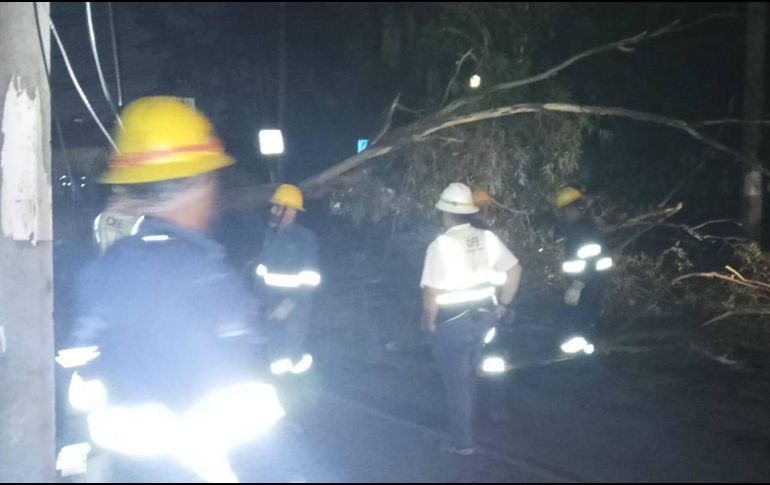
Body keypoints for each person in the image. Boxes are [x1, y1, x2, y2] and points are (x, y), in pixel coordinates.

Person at [62, 97, 279, 483]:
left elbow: (81, 384)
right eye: (210, 178)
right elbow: (248, 425)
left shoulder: (99, 275)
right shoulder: (204, 279)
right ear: (195, 186)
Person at [420, 183, 522, 455]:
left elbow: (431, 292)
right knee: (469, 378)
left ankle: (462, 442)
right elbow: (515, 269)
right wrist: (503, 306)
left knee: (457, 384)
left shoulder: (439, 245)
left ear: (445, 213)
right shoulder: (487, 238)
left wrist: (429, 322)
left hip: (452, 324)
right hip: (485, 319)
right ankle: (466, 427)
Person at [253, 184, 320, 377]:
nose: (273, 211)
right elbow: (262, 271)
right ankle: (283, 384)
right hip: (270, 304)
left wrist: (289, 304)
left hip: (295, 308)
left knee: (290, 353)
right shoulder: (271, 236)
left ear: (290, 211)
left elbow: (310, 279)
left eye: (278, 207)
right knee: (275, 353)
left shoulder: (305, 238)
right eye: (274, 207)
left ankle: (299, 382)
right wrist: (258, 298)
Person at [556, 187, 612, 345]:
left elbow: (589, 259)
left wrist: (577, 285)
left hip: (587, 285)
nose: (564, 215)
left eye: (564, 211)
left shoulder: (582, 230)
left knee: (580, 324)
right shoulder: (585, 227)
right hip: (593, 283)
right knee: (585, 322)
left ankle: (582, 355)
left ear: (571, 208)